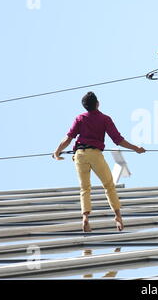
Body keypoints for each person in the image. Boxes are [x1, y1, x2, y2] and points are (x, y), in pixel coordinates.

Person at [53, 92, 145, 232]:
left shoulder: (80, 118)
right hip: (95, 154)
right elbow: (118, 140)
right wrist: (136, 148)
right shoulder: (105, 119)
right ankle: (118, 216)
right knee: (108, 185)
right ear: (98, 103)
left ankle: (85, 217)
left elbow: (68, 138)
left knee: (84, 188)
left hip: (79, 155)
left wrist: (57, 151)